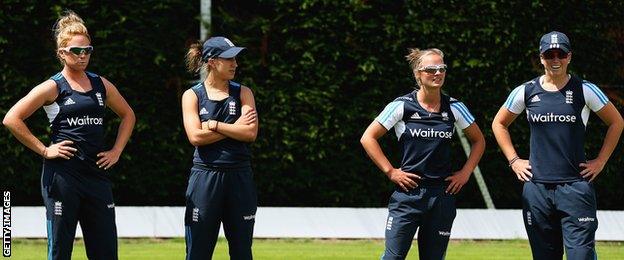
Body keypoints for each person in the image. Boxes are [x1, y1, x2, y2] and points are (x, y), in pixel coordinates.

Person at [2, 10, 135, 260]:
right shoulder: (53, 87)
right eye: (77, 51)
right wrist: (44, 150)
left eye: (88, 50)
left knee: (106, 252)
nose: (83, 55)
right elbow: (11, 118)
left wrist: (117, 150)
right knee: (60, 251)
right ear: (62, 53)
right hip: (63, 178)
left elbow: (128, 115)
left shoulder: (100, 84)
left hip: (96, 177)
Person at [492, 31, 623, 260]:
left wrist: (601, 161)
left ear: (569, 57)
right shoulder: (526, 91)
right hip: (537, 189)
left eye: (560, 54)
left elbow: (616, 122)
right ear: (541, 58)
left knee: (581, 256)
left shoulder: (585, 89)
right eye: (549, 54)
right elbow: (499, 123)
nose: (555, 60)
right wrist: (514, 160)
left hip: (575, 187)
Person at [360, 48, 485, 260]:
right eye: (430, 69)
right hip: (408, 196)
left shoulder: (454, 106)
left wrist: (466, 172)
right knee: (393, 257)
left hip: (442, 196)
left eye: (441, 68)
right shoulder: (401, 106)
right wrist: (391, 171)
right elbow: (368, 137)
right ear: (418, 74)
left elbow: (479, 140)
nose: (437, 73)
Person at [182, 36, 259, 260]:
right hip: (205, 177)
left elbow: (250, 133)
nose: (235, 63)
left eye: (235, 58)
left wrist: (215, 125)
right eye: (229, 59)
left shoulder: (244, 92)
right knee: (198, 251)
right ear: (212, 62)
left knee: (242, 251)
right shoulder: (192, 95)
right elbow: (195, 136)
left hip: (240, 176)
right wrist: (234, 128)